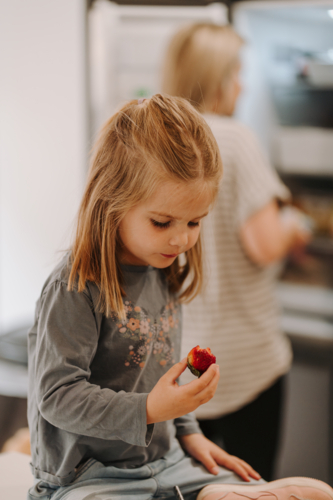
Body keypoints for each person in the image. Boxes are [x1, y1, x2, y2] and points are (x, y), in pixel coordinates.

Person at [26, 94, 328, 500]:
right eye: (162, 221)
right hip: (86, 478)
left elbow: (162, 375)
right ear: (112, 201)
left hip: (164, 464)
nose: (182, 238)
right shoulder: (76, 287)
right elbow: (56, 397)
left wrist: (189, 432)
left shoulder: (164, 273)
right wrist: (150, 409)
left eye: (194, 222)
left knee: (291, 491)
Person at [162, 24, 312, 481]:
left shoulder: (160, 140)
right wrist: (297, 226)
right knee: (253, 484)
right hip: (246, 365)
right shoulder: (233, 137)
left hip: (181, 364)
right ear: (217, 77)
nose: (243, 84)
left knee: (188, 486)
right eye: (237, 73)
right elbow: (264, 243)